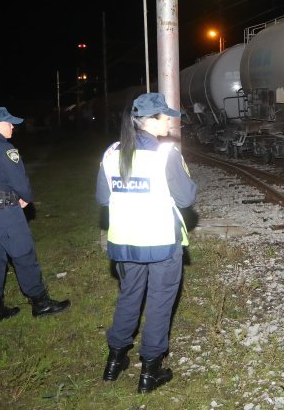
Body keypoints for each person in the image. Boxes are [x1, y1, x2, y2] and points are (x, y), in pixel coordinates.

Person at [96, 92, 197, 394]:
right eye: (165, 116)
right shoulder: (165, 154)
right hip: (160, 241)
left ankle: (114, 361)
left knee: (129, 296)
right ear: (151, 120)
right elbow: (187, 197)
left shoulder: (113, 152)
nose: (170, 120)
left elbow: (103, 198)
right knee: (159, 302)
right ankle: (150, 372)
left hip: (125, 241)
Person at [0, 107, 71, 324]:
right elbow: (19, 180)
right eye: (9, 123)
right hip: (5, 211)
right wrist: (26, 197)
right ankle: (40, 303)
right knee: (23, 254)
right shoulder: (4, 149)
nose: (13, 126)